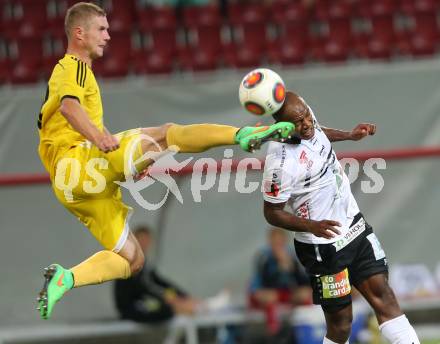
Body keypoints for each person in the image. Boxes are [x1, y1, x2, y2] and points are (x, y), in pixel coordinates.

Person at [35, 2, 294, 320]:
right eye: (101, 29)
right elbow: (69, 109)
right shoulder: (72, 66)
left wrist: (129, 158)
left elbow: (80, 118)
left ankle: (67, 278)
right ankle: (240, 135)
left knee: (132, 260)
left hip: (72, 186)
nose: (108, 35)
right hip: (75, 165)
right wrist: (101, 140)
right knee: (169, 134)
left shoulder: (80, 74)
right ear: (79, 33)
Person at [262, 91, 420, 344]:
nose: (307, 124)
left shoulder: (306, 118)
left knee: (385, 297)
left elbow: (319, 132)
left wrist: (349, 135)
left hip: (354, 226)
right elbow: (271, 212)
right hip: (322, 245)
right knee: (341, 324)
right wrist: (312, 225)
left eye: (307, 117)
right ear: (284, 127)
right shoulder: (280, 162)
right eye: (299, 123)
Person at [114, 226, 198, 323]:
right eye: (141, 240)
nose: (144, 244)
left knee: (173, 307)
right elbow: (142, 288)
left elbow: (159, 281)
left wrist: (183, 295)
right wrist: (167, 298)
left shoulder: (142, 262)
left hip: (142, 303)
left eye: (147, 241)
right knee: (168, 309)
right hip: (130, 309)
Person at [249, 227, 312, 336]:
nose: (277, 246)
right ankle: (274, 331)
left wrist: (292, 268)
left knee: (305, 293)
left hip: (286, 293)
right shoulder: (264, 257)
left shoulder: (292, 255)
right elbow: (262, 283)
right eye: (274, 243)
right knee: (270, 296)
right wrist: (277, 269)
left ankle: (305, 328)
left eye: (279, 243)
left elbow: (303, 281)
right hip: (268, 293)